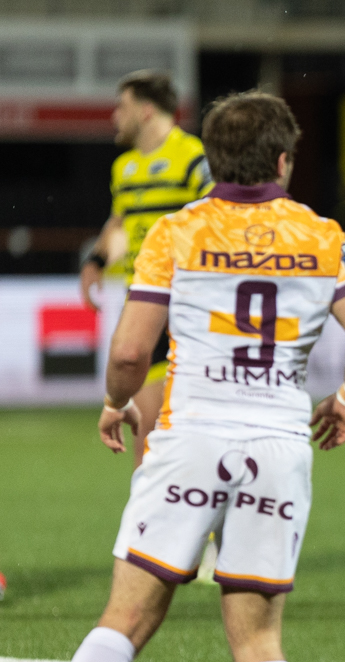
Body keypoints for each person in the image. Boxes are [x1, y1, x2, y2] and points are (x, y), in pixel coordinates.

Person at [23, 91, 345, 662]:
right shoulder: (319, 234)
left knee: (125, 617)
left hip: (191, 436)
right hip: (277, 444)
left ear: (212, 160)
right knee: (257, 633)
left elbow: (129, 352)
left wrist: (116, 401)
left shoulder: (176, 231)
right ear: (284, 160)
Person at [81, 71, 213, 471]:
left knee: (194, 429)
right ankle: (156, 528)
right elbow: (120, 224)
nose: (114, 117)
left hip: (190, 306)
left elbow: (219, 217)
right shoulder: (124, 168)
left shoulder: (193, 157)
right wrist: (97, 261)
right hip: (144, 304)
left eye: (121, 107)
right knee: (148, 434)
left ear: (146, 109)